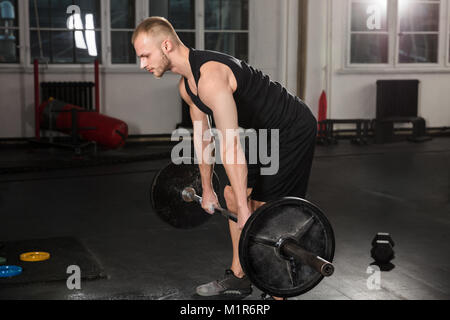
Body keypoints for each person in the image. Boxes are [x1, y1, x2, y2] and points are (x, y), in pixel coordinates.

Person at [132, 16, 317, 299]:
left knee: (267, 211)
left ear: (166, 45)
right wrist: (207, 188)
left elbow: (230, 144)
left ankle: (278, 290)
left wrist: (246, 210)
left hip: (293, 127)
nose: (143, 64)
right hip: (264, 131)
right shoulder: (188, 86)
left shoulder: (211, 76)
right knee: (231, 194)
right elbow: (203, 138)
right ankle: (239, 276)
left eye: (145, 55)